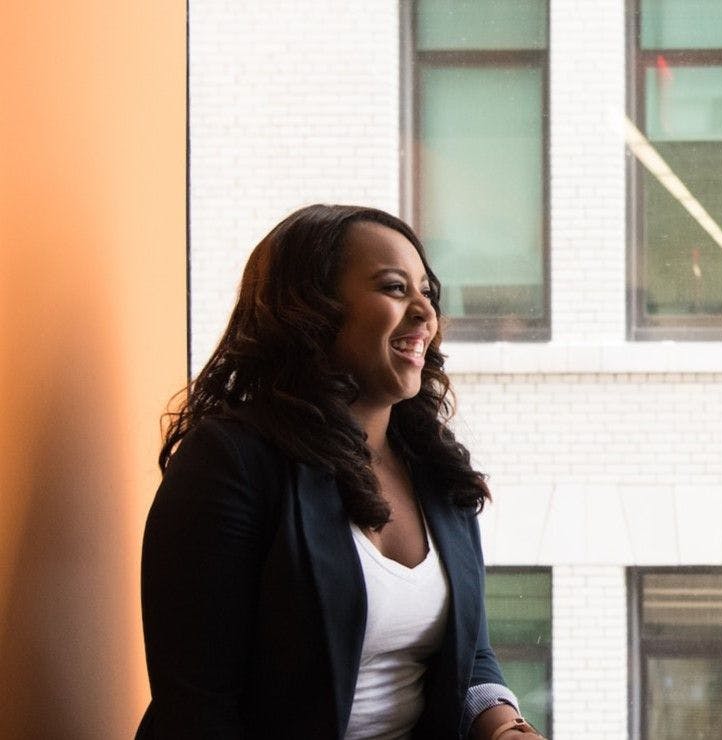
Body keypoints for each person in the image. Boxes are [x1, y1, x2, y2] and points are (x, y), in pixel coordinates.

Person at [137, 205, 544, 739]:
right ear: (311, 311)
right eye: (395, 288)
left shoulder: (434, 467)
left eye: (428, 292)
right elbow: (197, 710)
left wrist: (503, 727)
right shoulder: (230, 462)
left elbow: (468, 657)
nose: (425, 312)